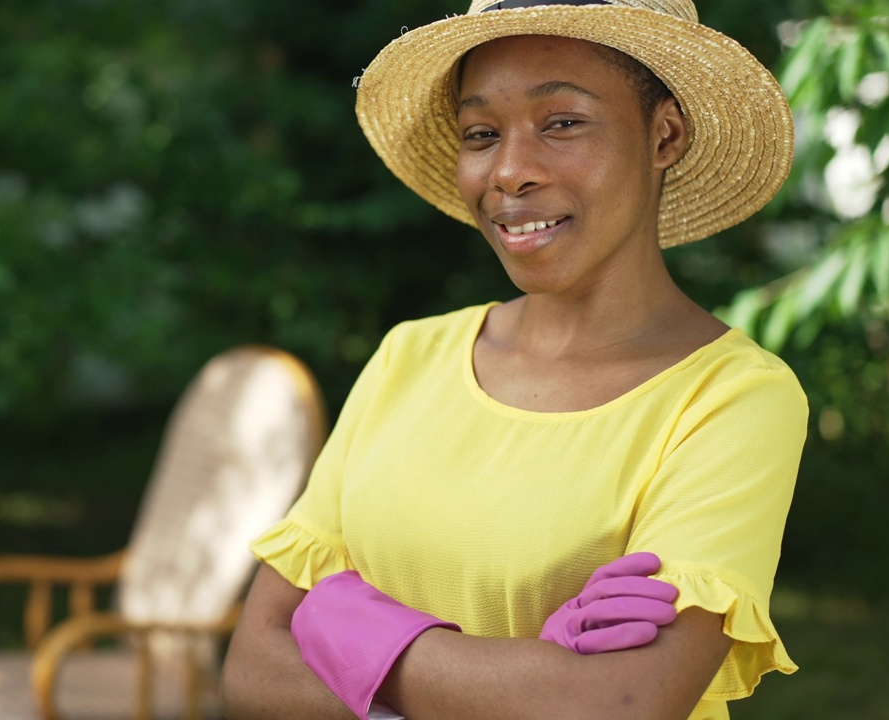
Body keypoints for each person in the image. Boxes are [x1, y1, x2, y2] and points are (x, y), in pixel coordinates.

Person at [220, 1, 808, 718]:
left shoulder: (732, 397)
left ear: (665, 134)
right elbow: (253, 668)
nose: (509, 171)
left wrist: (353, 631)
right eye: (480, 133)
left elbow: (618, 704)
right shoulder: (411, 356)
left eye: (562, 122)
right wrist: (531, 678)